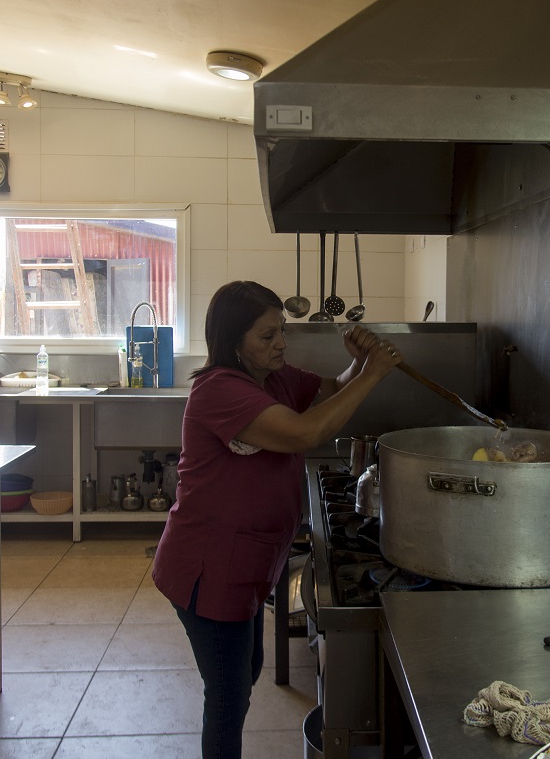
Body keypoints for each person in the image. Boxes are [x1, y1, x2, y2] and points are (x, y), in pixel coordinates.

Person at [151, 280, 402, 758]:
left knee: (243, 671)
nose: (281, 344)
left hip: (244, 567)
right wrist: (376, 375)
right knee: (227, 697)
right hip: (208, 569)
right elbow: (306, 431)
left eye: (281, 331)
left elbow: (331, 391)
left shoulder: (274, 376)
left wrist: (360, 365)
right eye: (267, 336)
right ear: (233, 341)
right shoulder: (220, 390)